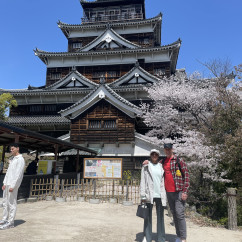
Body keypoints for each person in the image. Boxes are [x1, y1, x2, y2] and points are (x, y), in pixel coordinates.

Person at [143, 143, 190, 242]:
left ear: (172, 149)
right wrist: (147, 161)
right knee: (174, 213)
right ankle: (178, 235)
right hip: (168, 192)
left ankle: (183, 238)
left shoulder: (178, 160)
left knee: (180, 214)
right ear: (164, 150)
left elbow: (186, 176)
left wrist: (185, 191)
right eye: (166, 149)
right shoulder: (163, 162)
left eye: (169, 149)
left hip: (178, 192)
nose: (167, 151)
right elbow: (154, 164)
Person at [140, 149, 166, 242]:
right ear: (150, 155)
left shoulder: (161, 166)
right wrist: (142, 195)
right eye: (152, 154)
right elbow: (142, 181)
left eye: (156, 154)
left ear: (158, 156)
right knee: (147, 216)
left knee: (161, 217)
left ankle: (161, 238)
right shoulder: (146, 166)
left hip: (160, 194)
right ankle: (147, 237)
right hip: (149, 194)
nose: (154, 155)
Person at [0, 143, 25, 230]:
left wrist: (13, 186)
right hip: (7, 184)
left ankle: (10, 222)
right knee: (5, 202)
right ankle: (4, 219)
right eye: (11, 149)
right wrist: (4, 183)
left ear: (17, 148)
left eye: (13, 149)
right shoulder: (13, 159)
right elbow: (8, 172)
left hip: (12, 185)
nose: (11, 150)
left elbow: (18, 174)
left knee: (12, 203)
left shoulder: (20, 159)